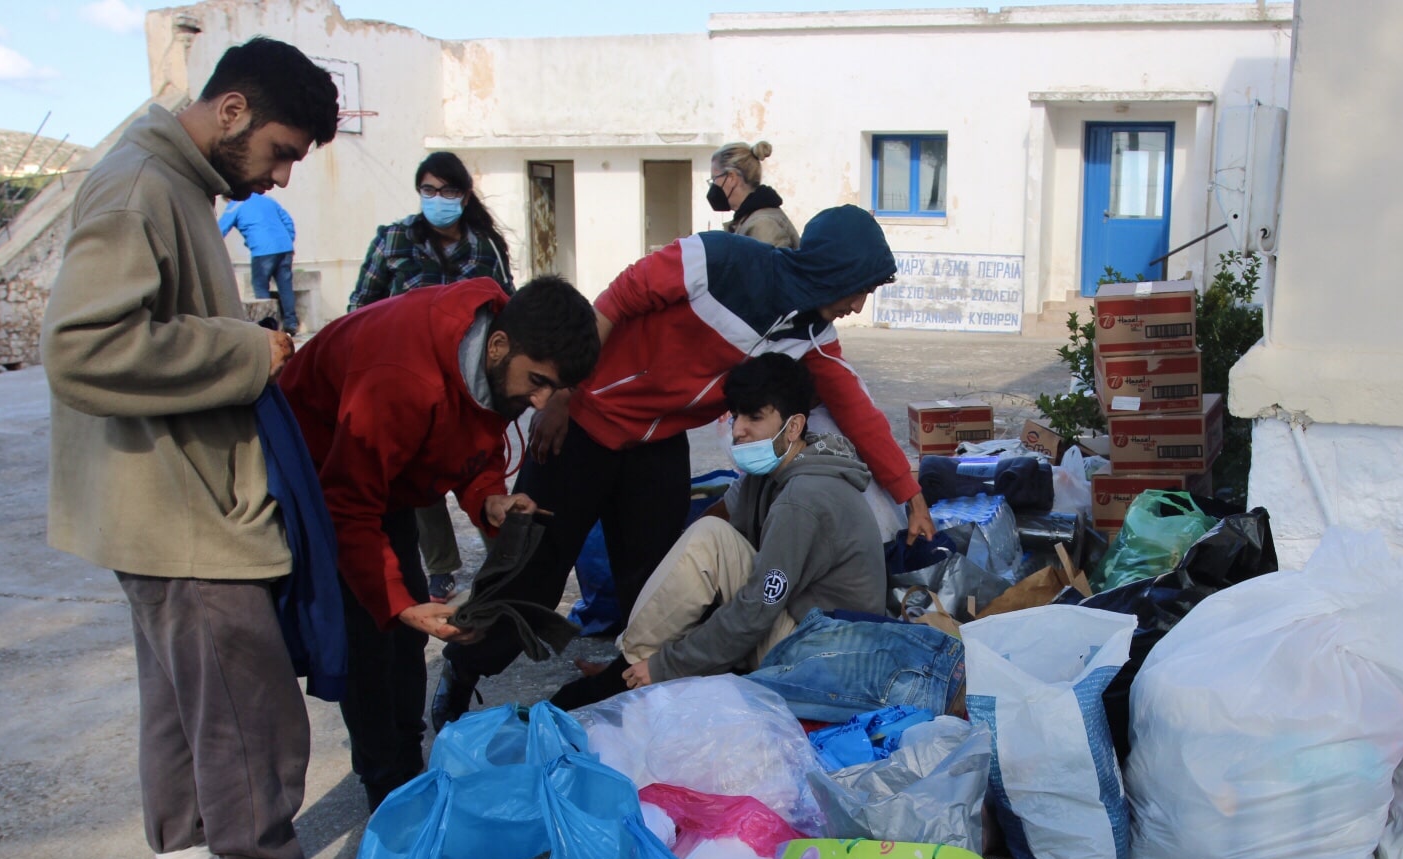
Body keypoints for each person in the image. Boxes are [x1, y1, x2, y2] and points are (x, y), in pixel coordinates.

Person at [42, 38, 349, 859]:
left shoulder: (177, 186)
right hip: (180, 507)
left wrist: (236, 337)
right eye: (281, 149)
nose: (282, 174)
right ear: (231, 111)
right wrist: (241, 353)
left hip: (165, 501)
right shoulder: (141, 187)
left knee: (183, 709)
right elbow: (85, 347)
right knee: (248, 709)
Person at [431, 204, 935, 728]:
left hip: (658, 443)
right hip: (582, 422)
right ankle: (461, 674)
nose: (858, 305)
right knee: (532, 567)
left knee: (660, 577)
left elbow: (857, 412)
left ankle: (625, 682)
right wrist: (563, 391)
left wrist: (910, 495)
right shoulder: (722, 260)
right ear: (835, 270)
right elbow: (618, 298)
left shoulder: (810, 336)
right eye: (860, 289)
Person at [278, 276, 599, 809]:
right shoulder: (401, 380)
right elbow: (349, 505)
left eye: (553, 390)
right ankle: (389, 789)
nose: (541, 401)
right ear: (498, 348)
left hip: (381, 480)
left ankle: (407, 761)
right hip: (315, 477)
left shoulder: (496, 347)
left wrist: (489, 498)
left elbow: (473, 436)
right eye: (537, 382)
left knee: (403, 641)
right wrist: (397, 603)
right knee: (369, 635)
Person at [553, 353, 884, 708]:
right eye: (737, 415)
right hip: (807, 630)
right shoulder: (771, 475)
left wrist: (668, 664)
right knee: (710, 535)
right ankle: (630, 667)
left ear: (793, 426)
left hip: (832, 660)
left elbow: (757, 607)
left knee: (710, 539)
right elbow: (723, 553)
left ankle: (626, 674)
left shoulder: (802, 499)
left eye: (754, 417)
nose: (739, 430)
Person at [349, 152, 517, 606]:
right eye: (429, 190)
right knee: (420, 479)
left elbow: (509, 308)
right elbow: (361, 308)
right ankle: (440, 568)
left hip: (471, 381)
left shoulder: (484, 246)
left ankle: (502, 571)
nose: (437, 200)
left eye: (447, 191)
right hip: (408, 380)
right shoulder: (394, 241)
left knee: (479, 467)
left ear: (464, 195)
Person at [218, 191, 299, 334]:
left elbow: (219, 230)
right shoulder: (267, 200)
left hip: (263, 250)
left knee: (260, 286)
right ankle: (291, 324)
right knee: (285, 287)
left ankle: (268, 326)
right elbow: (287, 220)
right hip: (285, 247)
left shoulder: (236, 204)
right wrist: (287, 240)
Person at [709, 141, 799, 248]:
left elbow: (767, 263)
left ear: (731, 177)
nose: (712, 186)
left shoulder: (763, 224)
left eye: (714, 179)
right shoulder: (749, 220)